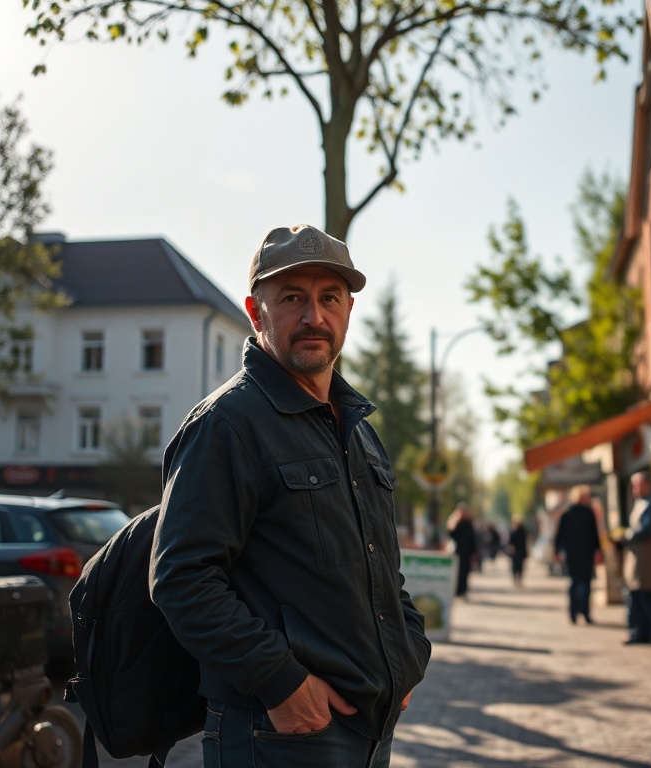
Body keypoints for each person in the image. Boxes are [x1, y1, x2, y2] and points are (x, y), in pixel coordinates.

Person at [150, 224, 431, 768]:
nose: (314, 317)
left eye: (329, 298)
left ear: (349, 311)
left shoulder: (358, 430)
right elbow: (181, 577)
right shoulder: (228, 424)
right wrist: (282, 685)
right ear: (257, 313)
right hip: (279, 735)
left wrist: (407, 657)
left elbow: (381, 570)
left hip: (370, 732)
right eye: (293, 299)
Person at [620, 470, 651, 644]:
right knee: (638, 598)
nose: (634, 488)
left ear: (647, 484)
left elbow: (648, 529)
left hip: (646, 561)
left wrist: (627, 535)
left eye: (636, 484)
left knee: (649, 597)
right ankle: (641, 632)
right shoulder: (641, 503)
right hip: (637, 559)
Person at [554, 486, 602, 625]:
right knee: (584, 583)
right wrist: (597, 551)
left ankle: (573, 613)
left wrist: (557, 550)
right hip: (585, 553)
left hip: (573, 553)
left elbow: (559, 535)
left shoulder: (567, 512)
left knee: (575, 583)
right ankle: (584, 612)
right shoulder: (587, 512)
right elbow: (595, 534)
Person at [446, 501, 478, 597]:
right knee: (457, 572)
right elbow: (450, 534)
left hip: (467, 552)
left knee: (465, 572)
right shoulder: (456, 522)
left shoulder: (469, 522)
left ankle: (463, 590)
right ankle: (458, 591)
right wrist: (454, 521)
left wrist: (474, 552)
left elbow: (472, 538)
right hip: (457, 551)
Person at [506, 516, 529, 587]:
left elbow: (525, 542)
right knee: (514, 566)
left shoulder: (523, 531)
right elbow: (510, 542)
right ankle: (515, 579)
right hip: (515, 552)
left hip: (521, 551)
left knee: (520, 567)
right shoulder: (513, 531)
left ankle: (519, 579)